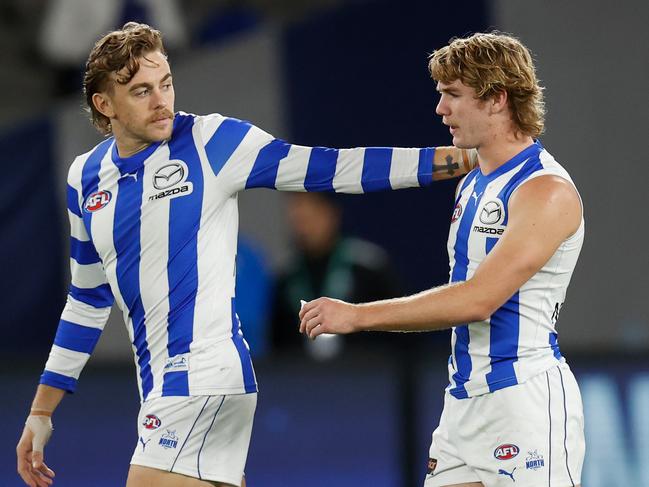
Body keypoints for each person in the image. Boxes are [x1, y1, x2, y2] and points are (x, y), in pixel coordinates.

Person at [15, 22, 477, 487]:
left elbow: (329, 168)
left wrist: (454, 161)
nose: (162, 102)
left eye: (166, 84)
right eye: (141, 91)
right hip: (164, 388)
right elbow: (87, 301)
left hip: (202, 377)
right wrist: (41, 410)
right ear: (104, 104)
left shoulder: (212, 141)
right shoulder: (85, 178)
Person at [300, 32, 585, 487]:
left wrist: (357, 316)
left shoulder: (545, 192)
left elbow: (477, 301)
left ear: (496, 99)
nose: (440, 109)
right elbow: (412, 164)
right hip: (462, 405)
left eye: (453, 95)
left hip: (522, 403)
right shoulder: (472, 180)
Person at [272, 192, 402, 360]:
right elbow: (277, 349)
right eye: (299, 220)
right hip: (304, 381)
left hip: (368, 376)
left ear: (332, 213)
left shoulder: (369, 268)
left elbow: (401, 336)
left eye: (311, 217)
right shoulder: (286, 279)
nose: (304, 228)